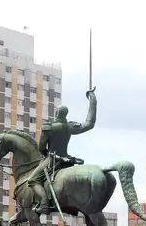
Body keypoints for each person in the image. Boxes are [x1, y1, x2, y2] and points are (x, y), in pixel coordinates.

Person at [22, 87, 97, 216]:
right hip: (67, 161)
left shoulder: (49, 128)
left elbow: (41, 148)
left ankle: (44, 204)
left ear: (56, 113)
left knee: (32, 180)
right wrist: (93, 101)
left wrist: (46, 155)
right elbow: (89, 123)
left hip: (52, 160)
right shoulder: (70, 127)